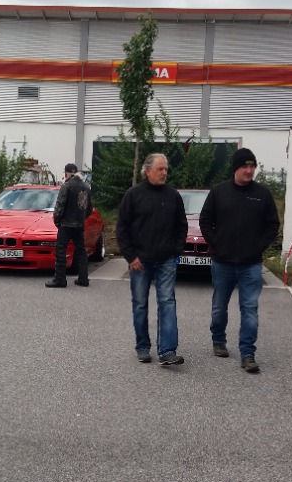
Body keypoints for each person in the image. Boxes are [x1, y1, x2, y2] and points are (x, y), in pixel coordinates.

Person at [199, 148, 280, 374]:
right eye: (245, 166)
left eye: (252, 166)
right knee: (219, 307)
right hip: (222, 262)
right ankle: (218, 339)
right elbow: (205, 220)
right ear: (235, 168)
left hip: (251, 264)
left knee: (250, 308)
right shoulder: (219, 192)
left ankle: (248, 354)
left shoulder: (262, 194)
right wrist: (216, 243)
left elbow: (273, 225)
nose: (249, 170)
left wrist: (258, 246)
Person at [115, 153, 188, 367]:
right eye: (160, 169)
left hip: (166, 260)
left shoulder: (173, 195)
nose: (164, 173)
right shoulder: (133, 195)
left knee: (167, 303)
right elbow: (122, 228)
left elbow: (181, 226)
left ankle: (167, 351)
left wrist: (176, 251)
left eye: (166, 169)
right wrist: (131, 256)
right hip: (140, 262)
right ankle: (143, 347)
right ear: (147, 171)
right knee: (140, 305)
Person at [45, 163, 93, 289]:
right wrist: (82, 219)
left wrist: (57, 221)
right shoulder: (86, 187)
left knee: (60, 250)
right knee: (81, 251)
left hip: (66, 224)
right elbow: (89, 209)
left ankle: (60, 279)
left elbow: (59, 206)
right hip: (79, 225)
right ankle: (83, 279)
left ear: (66, 173)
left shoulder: (66, 186)